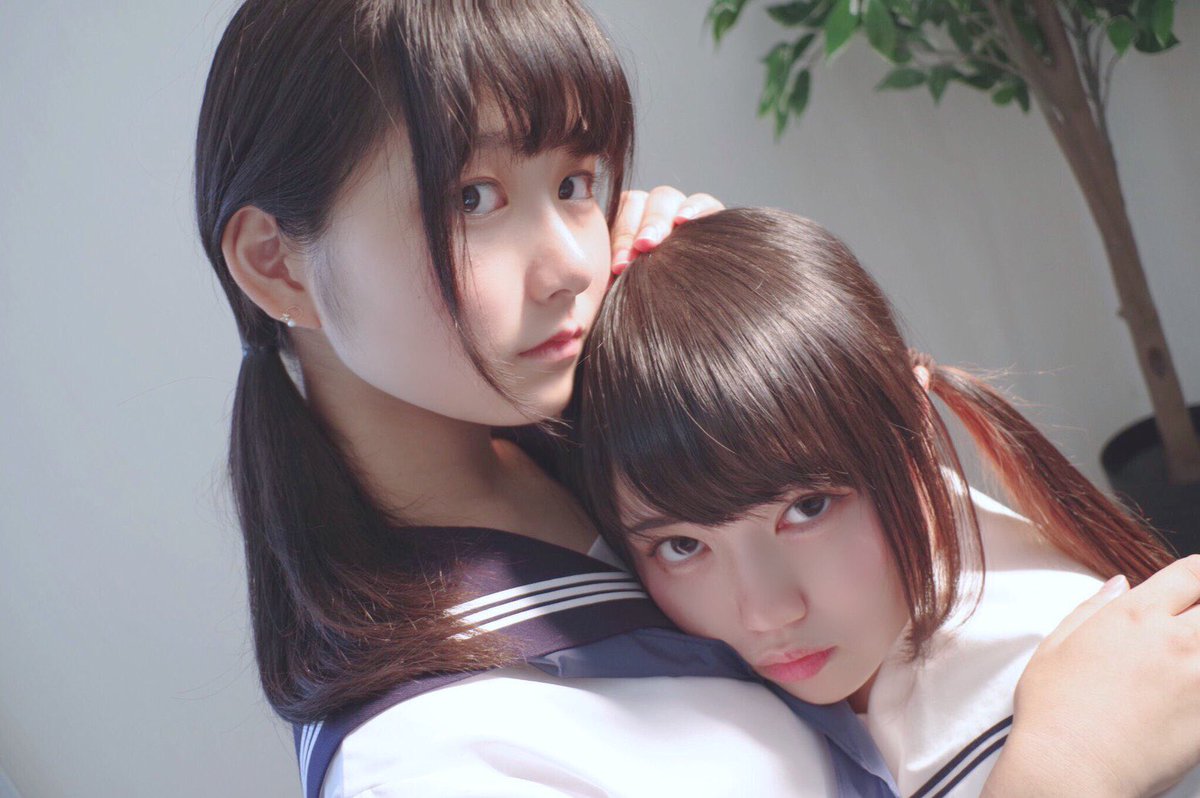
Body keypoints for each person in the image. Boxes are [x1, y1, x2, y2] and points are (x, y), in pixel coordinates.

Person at [194, 1, 1200, 795]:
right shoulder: (433, 759)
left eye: (575, 182)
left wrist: (720, 343)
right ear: (277, 263)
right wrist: (1064, 773)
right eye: (473, 199)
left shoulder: (576, 425)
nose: (570, 262)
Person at [574, 207, 1200, 796]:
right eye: (684, 546)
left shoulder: (1045, 693)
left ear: (916, 424)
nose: (767, 613)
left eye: (808, 509)